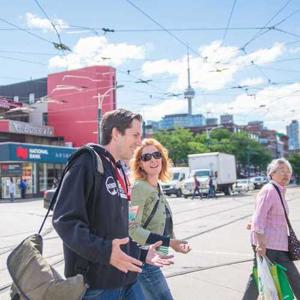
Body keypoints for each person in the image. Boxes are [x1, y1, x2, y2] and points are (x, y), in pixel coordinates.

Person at [52, 109, 173, 300]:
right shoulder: (87, 162)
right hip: (98, 286)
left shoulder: (119, 171)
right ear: (116, 133)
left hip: (128, 280)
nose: (139, 142)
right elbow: (64, 221)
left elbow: (120, 229)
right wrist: (106, 252)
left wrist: (141, 253)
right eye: (135, 135)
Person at [129, 138, 191, 300]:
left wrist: (174, 243)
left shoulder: (156, 186)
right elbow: (132, 229)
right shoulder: (139, 188)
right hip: (144, 260)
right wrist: (169, 242)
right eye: (146, 157)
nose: (153, 159)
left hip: (154, 258)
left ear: (162, 159)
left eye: (156, 154)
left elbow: (163, 220)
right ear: (140, 164)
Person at [242, 158, 300, 299]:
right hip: (268, 245)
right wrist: (261, 244)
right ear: (271, 173)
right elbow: (258, 218)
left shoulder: (278, 190)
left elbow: (264, 216)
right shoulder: (269, 190)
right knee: (262, 275)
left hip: (278, 244)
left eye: (288, 171)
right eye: (281, 171)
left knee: (262, 276)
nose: (286, 174)